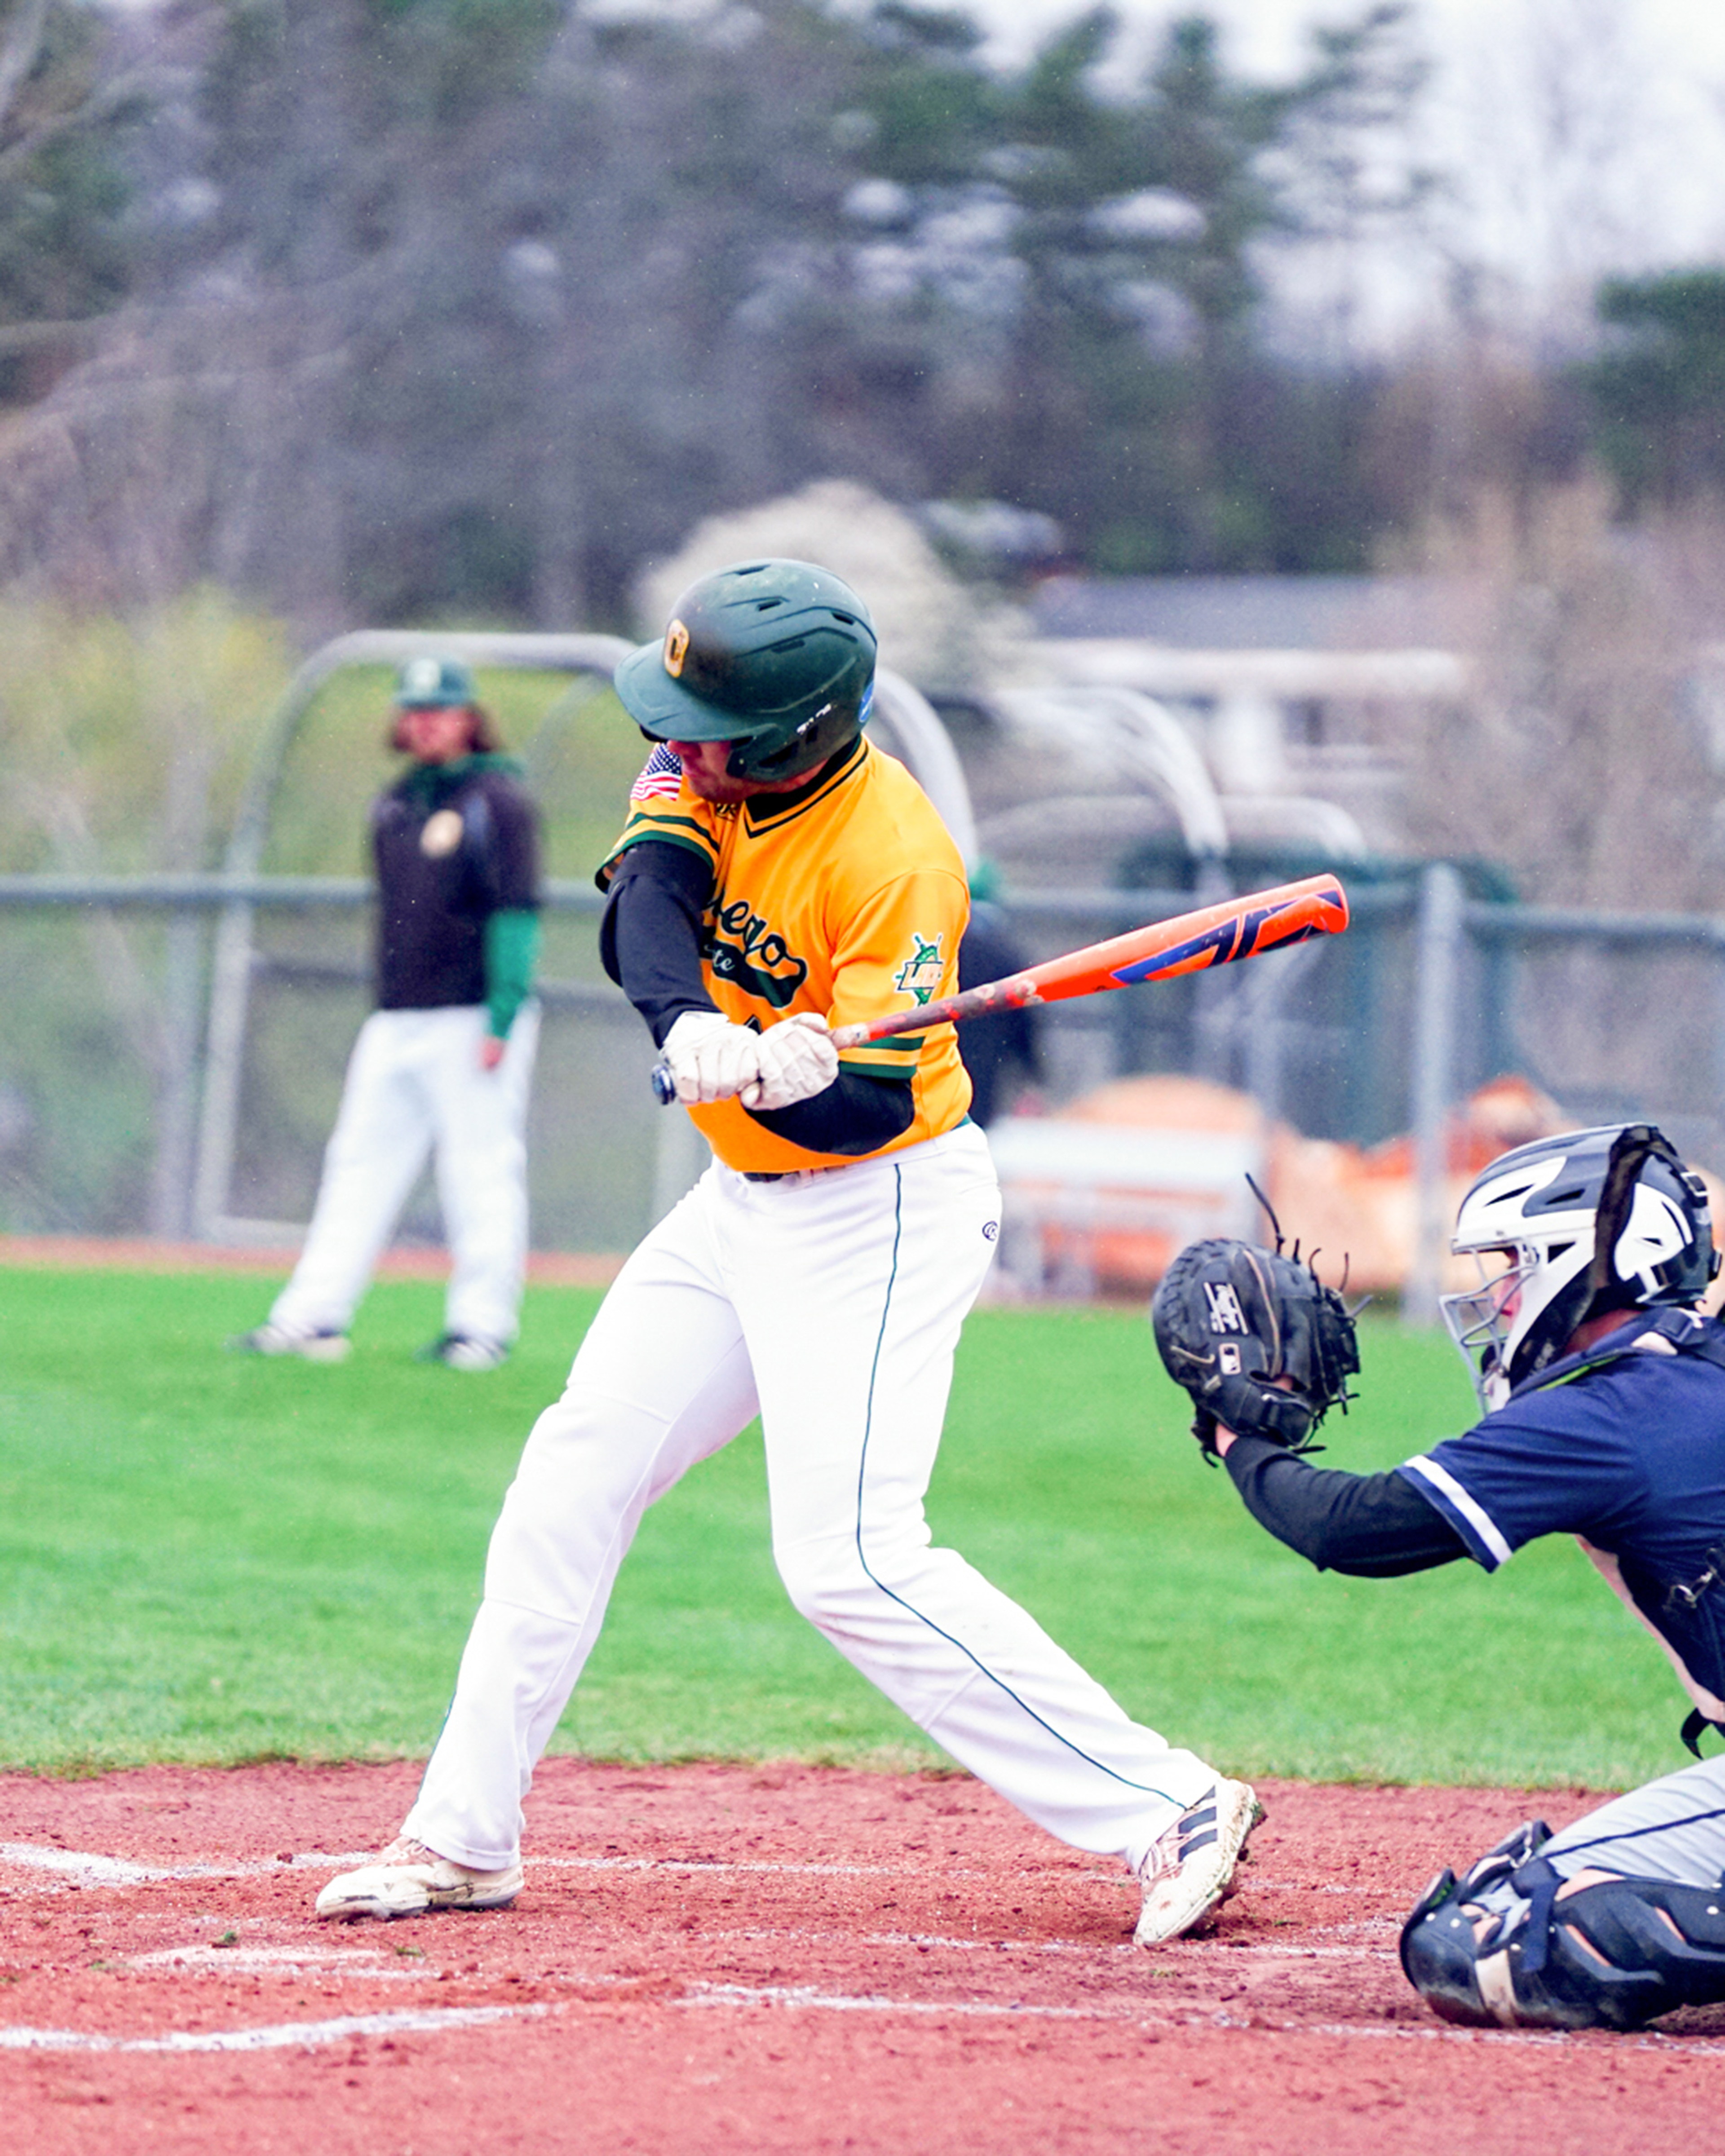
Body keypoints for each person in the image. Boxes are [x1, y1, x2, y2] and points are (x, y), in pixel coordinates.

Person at [313, 559, 1258, 1944]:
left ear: (792, 736)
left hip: (881, 1205)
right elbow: (646, 905)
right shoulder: (699, 767)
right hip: (740, 1204)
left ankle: (1167, 1801)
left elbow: (871, 1104)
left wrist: (795, 1080)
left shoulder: (897, 860)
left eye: (710, 731)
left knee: (849, 1559)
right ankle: (463, 1838)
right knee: (571, 1478)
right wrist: (693, 1027)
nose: (678, 746)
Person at [1154, 1122, 1725, 2031]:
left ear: (1589, 1262)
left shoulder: (1610, 1413)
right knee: (1520, 1896)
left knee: (1491, 1936)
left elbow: (1353, 1528)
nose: (1499, 1297)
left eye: (1514, 1265)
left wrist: (1237, 1428)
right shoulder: (1691, 1372)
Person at [231, 654, 541, 1372]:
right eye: (415, 711)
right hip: (398, 1013)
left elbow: (518, 912)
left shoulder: (499, 801)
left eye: (440, 711)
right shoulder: (397, 802)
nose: (426, 724)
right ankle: (313, 1315)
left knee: (478, 1169)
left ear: (469, 718)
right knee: (358, 1163)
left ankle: (481, 1327)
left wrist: (502, 1015)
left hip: (472, 1015)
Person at [955, 861, 1043, 1129]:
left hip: (938, 1061)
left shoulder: (939, 939)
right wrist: (1032, 1073)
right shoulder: (1002, 947)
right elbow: (1025, 1018)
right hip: (985, 1062)